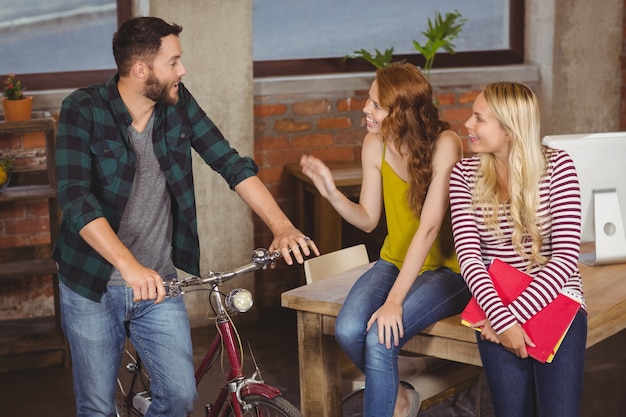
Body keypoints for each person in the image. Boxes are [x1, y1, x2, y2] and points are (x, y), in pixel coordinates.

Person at [53, 16, 318, 417]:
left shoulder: (177, 104)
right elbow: (75, 198)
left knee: (178, 398)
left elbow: (229, 162)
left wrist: (281, 225)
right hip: (93, 284)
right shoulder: (83, 109)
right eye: (173, 61)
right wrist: (128, 266)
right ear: (142, 70)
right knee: (96, 407)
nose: (183, 70)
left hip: (160, 283)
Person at [299, 62, 471, 417]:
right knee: (348, 329)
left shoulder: (446, 144)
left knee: (380, 337)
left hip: (448, 271)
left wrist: (393, 302)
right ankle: (400, 400)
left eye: (375, 104)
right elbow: (367, 219)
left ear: (402, 112)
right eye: (368, 100)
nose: (365, 108)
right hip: (394, 261)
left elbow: (428, 229)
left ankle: (392, 401)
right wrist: (331, 193)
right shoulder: (373, 144)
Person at [449, 82, 587, 417]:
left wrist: (509, 320)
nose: (468, 125)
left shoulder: (559, 168)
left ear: (509, 130)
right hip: (495, 304)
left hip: (557, 300)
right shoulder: (463, 175)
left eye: (479, 119)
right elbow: (469, 257)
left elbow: (566, 257)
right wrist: (500, 318)